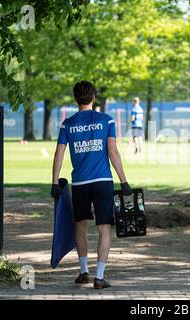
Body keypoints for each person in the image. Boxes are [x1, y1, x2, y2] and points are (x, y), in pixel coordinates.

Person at [51, 81, 132, 289]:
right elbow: (113, 153)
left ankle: (83, 271)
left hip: (80, 183)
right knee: (104, 228)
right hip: (103, 181)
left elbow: (59, 153)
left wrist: (54, 181)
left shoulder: (67, 124)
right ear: (93, 97)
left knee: (80, 225)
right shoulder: (107, 121)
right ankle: (99, 276)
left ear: (75, 99)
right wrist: (124, 181)